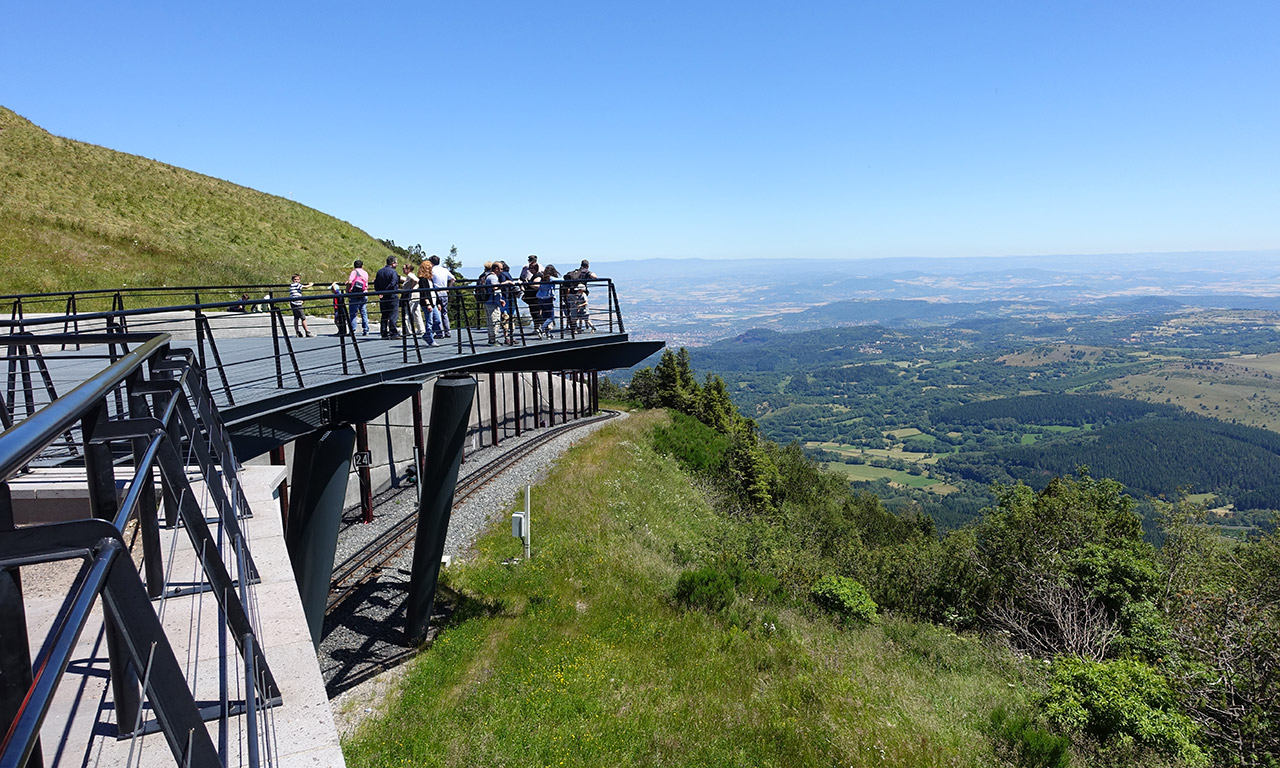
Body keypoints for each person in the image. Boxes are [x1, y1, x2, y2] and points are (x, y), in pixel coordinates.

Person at [374, 255, 401, 338]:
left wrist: (380, 292)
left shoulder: (379, 272)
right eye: (396, 263)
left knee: (384, 314)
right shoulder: (393, 272)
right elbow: (393, 283)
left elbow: (376, 284)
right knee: (393, 314)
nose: (396, 265)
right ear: (393, 263)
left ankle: (383, 332)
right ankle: (393, 332)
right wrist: (387, 290)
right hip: (392, 295)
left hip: (383, 296)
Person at [479, 262, 504, 345]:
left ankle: (491, 339)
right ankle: (493, 340)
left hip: (488, 301)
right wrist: (505, 283)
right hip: (492, 303)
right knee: (495, 321)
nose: (502, 271)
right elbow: (495, 287)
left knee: (490, 321)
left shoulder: (487, 276)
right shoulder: (493, 277)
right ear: (496, 269)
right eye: (501, 269)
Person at [428, 254, 453, 338]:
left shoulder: (432, 270)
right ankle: (447, 331)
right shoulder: (444, 270)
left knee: (437, 312)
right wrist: (448, 288)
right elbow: (453, 279)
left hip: (436, 292)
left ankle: (440, 332)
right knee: (444, 312)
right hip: (444, 292)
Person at [401, 263, 425, 338]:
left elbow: (416, 280)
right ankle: (421, 329)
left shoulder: (410, 275)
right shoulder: (411, 275)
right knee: (417, 313)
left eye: (404, 268)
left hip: (411, 296)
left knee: (407, 313)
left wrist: (412, 288)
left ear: (408, 269)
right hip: (416, 296)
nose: (403, 270)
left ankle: (408, 330)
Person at [347, 260, 370, 336]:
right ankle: (366, 329)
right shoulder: (365, 273)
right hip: (364, 293)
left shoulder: (354, 272)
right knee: (363, 312)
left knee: (353, 313)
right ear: (362, 266)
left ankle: (353, 329)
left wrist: (347, 284)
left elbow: (350, 281)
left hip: (355, 294)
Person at [536, 264, 559, 337]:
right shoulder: (551, 278)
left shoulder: (542, 277)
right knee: (551, 317)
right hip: (547, 299)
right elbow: (561, 280)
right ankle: (542, 329)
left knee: (545, 316)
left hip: (540, 298)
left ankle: (547, 333)